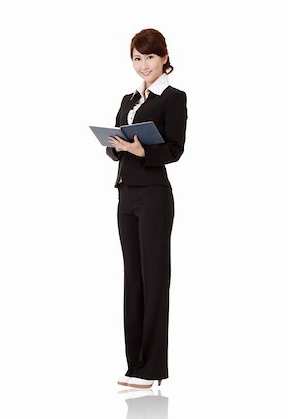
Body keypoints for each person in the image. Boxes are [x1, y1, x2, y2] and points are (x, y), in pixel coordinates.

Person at [106, 28, 187, 389]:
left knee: (155, 280)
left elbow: (175, 149)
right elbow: (114, 145)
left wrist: (141, 151)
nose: (143, 65)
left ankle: (152, 368)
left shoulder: (173, 98)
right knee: (133, 280)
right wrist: (117, 146)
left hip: (154, 196)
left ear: (164, 59)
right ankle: (133, 366)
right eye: (137, 58)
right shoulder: (127, 99)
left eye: (150, 57)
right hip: (126, 196)